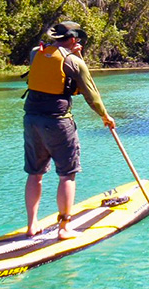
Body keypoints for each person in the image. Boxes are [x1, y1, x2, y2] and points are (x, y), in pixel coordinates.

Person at [23, 21, 116, 239]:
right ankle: (64, 228)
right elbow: (91, 94)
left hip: (31, 120)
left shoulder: (36, 53)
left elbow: (46, 58)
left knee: (35, 174)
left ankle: (32, 225)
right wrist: (105, 116)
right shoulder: (73, 61)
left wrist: (69, 51)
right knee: (67, 175)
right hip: (58, 122)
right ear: (74, 40)